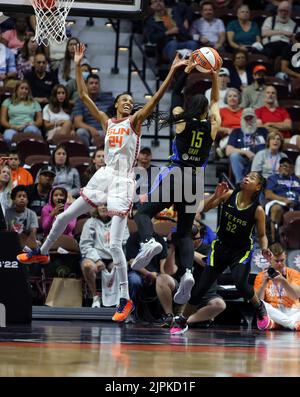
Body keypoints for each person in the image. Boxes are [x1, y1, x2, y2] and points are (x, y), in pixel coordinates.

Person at [17, 42, 187, 323]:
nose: (129, 103)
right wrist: (77, 62)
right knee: (66, 214)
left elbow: (156, 99)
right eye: (125, 100)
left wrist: (171, 72)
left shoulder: (135, 121)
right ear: (116, 103)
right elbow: (83, 95)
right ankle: (41, 252)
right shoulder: (108, 121)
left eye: (131, 101)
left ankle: (124, 299)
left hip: (123, 179)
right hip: (105, 173)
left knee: (115, 246)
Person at [131, 56, 222, 306]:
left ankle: (149, 242)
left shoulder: (182, 119)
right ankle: (188, 273)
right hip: (196, 181)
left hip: (177, 174)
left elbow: (173, 95)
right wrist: (213, 73)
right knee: (183, 233)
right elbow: (216, 100)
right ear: (205, 111)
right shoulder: (212, 125)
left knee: (143, 212)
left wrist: (182, 71)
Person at [170, 173, 274, 334]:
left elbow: (261, 235)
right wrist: (215, 196)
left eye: (252, 178)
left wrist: (265, 248)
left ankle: (259, 307)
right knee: (200, 288)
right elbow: (203, 209)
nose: (247, 177)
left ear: (258, 187)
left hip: (241, 251)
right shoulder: (230, 195)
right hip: (220, 248)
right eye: (246, 175)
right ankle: (182, 320)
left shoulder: (258, 210)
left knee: (241, 283)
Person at [157, 223, 225, 330]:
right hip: (182, 291)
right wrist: (172, 248)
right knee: (162, 279)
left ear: (200, 237)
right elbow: (169, 271)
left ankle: (183, 320)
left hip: (204, 293)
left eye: (192, 238)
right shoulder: (178, 249)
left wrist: (189, 251)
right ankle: (169, 316)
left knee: (219, 305)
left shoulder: (210, 248)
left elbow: (208, 263)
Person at [79, 204, 128, 308]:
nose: (103, 207)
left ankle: (119, 298)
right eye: (100, 205)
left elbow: (124, 243)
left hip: (113, 258)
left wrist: (116, 258)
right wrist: (97, 259)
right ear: (96, 208)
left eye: (106, 204)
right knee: (87, 266)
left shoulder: (120, 221)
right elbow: (85, 245)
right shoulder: (90, 222)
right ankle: (95, 297)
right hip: (95, 257)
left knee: (119, 267)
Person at [254, 242, 300, 331]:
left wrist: (283, 281)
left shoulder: (294, 274)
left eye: (282, 260)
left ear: (286, 256)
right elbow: (258, 300)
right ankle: (292, 324)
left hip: (292, 310)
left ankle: (275, 323)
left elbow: (296, 296)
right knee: (262, 305)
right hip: (274, 310)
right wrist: (263, 283)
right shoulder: (261, 276)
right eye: (276, 261)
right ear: (270, 259)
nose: (279, 264)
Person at [127, 231, 167, 318]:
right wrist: (148, 273)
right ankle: (132, 313)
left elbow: (163, 258)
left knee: (165, 282)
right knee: (134, 281)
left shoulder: (159, 238)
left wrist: (161, 274)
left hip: (155, 273)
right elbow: (131, 261)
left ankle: (164, 314)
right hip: (137, 272)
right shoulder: (133, 238)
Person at [226, 108, 268, 184]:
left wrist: (259, 156)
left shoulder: (263, 131)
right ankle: (240, 184)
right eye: (246, 118)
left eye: (251, 118)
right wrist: (246, 152)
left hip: (262, 161)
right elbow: (228, 150)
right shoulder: (236, 132)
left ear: (255, 119)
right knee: (234, 156)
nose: (249, 121)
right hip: (244, 160)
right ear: (242, 119)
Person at [72, 73, 114, 148]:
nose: (94, 85)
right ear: (86, 85)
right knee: (80, 132)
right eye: (91, 83)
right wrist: (91, 129)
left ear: (99, 85)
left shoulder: (109, 100)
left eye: (96, 83)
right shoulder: (81, 101)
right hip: (88, 130)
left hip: (105, 129)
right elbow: (77, 122)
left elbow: (115, 118)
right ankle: (86, 154)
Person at [265, 157, 300, 242]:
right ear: (279, 168)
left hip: (296, 203)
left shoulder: (296, 179)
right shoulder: (273, 178)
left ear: (291, 169)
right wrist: (283, 200)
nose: (285, 167)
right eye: (283, 165)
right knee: (276, 208)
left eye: (287, 166)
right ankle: (273, 240)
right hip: (280, 203)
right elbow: (268, 194)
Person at [0, 79, 43, 146]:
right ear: (16, 90)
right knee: (7, 137)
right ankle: (14, 153)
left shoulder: (34, 103)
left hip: (28, 127)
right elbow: (3, 120)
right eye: (22, 88)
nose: (24, 91)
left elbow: (40, 121)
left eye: (26, 89)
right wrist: (13, 126)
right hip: (12, 127)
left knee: (31, 130)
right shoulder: (7, 101)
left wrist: (32, 123)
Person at [5, 185, 39, 250]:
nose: (22, 198)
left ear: (28, 200)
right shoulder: (7, 213)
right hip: (10, 243)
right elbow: (6, 231)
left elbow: (33, 233)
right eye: (19, 196)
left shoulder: (32, 214)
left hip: (27, 243)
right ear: (14, 200)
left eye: (24, 196)